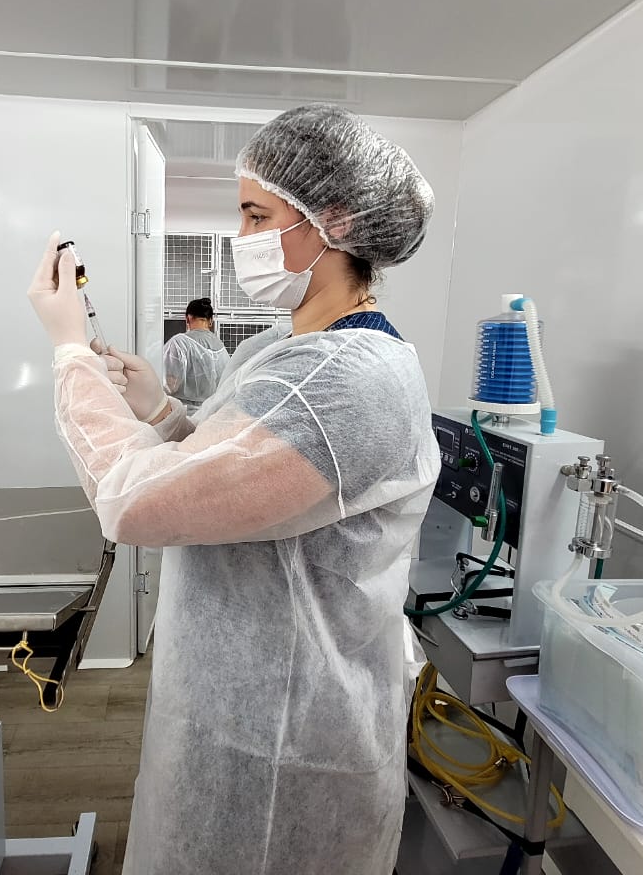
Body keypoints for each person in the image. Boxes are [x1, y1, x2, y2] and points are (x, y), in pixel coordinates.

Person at [28, 103, 439, 875]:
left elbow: (135, 502)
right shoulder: (285, 348)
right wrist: (160, 409)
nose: (240, 236)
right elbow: (231, 474)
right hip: (242, 703)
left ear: (334, 221)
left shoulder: (343, 381)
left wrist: (70, 353)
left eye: (256, 216)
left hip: (287, 738)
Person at [162, 297, 230, 415]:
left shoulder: (179, 343)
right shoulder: (221, 348)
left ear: (188, 318)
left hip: (182, 415)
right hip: (211, 415)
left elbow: (169, 385)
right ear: (210, 321)